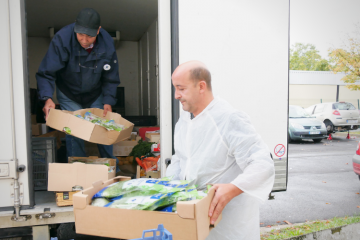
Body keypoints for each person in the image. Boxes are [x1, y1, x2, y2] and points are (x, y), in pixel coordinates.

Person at [166, 60, 275, 239]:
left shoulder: (229, 119)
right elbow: (180, 159)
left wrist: (233, 188)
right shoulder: (184, 121)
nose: (176, 95)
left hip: (229, 224)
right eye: (175, 89)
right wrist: (166, 187)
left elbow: (262, 164)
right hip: (195, 220)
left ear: (201, 86)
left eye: (181, 88)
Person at [36, 8, 120, 172]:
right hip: (69, 93)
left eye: (89, 35)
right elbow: (46, 72)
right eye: (80, 34)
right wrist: (47, 98)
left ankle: (112, 172)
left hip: (95, 93)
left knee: (102, 128)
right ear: (75, 27)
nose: (84, 39)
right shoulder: (62, 39)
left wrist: (108, 101)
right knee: (74, 132)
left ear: (98, 30)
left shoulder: (107, 43)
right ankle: (78, 172)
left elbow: (111, 75)